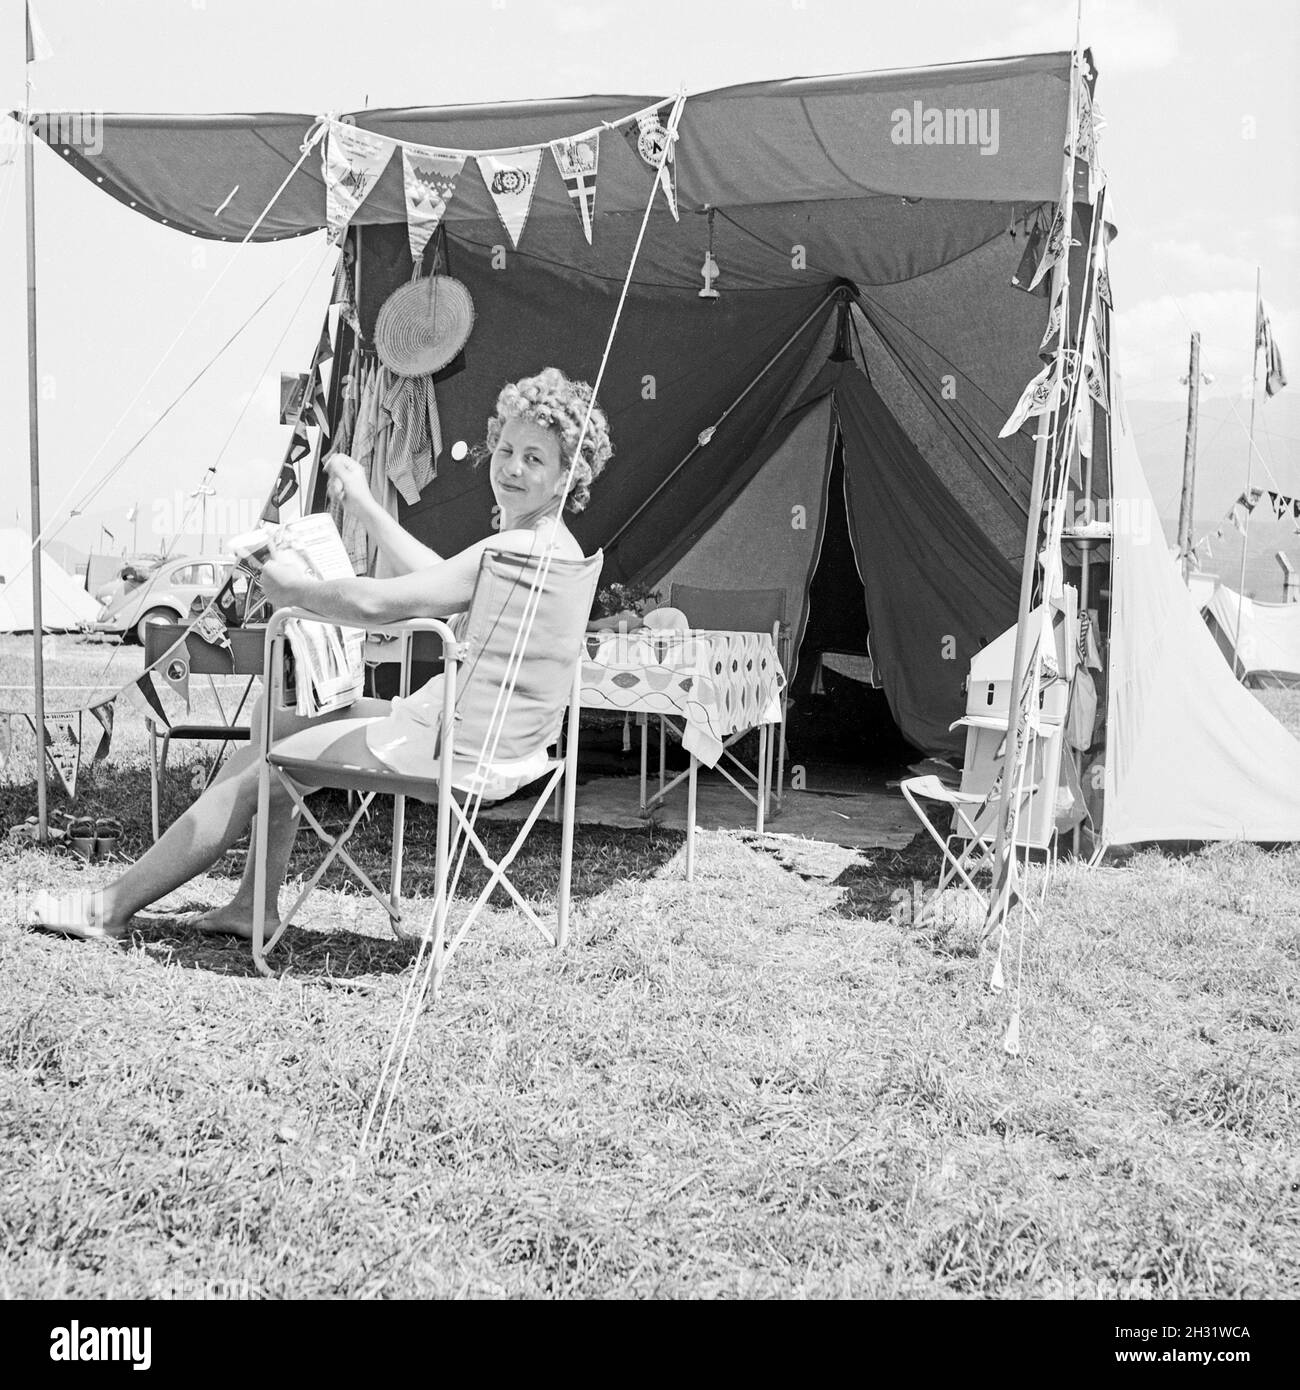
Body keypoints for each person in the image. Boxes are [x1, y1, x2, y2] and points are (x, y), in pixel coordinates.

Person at [29, 367, 612, 942]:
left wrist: (293, 590)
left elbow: (372, 603)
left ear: (567, 476)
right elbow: (438, 577)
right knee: (277, 723)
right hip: (493, 741)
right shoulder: (552, 547)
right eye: (506, 447)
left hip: (456, 749)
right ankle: (253, 905)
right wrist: (361, 503)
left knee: (264, 771)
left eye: (534, 458)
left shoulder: (512, 548)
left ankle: (110, 908)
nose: (511, 466)